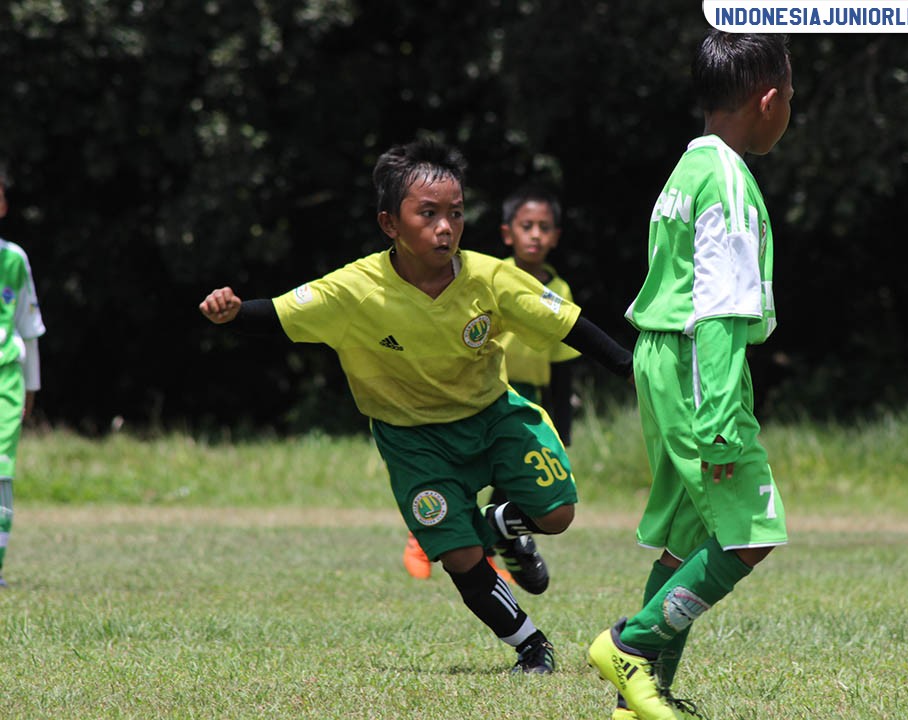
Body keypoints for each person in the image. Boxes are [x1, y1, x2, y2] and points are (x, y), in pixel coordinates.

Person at [199, 138, 632, 674]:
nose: (445, 228)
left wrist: (631, 368)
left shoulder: (490, 278)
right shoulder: (355, 290)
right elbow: (282, 313)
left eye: (454, 214)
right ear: (390, 224)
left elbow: (570, 324)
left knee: (558, 515)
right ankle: (531, 646)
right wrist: (233, 312)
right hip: (413, 440)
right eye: (427, 214)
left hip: (492, 417)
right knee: (458, 555)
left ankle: (495, 522)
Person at [586, 31, 793, 720]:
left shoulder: (689, 167)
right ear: (767, 99)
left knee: (685, 543)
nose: (790, 107)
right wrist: (722, 426)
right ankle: (629, 645)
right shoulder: (730, 181)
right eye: (790, 95)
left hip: (664, 362)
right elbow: (718, 315)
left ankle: (640, 697)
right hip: (695, 369)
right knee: (750, 533)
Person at [401, 184, 580, 586]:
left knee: (518, 485)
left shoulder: (560, 291)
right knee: (463, 473)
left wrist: (561, 433)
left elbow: (563, 366)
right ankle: (426, 532)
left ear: (555, 237)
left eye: (544, 227)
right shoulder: (485, 277)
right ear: (507, 233)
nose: (535, 234)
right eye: (526, 225)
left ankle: (500, 544)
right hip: (480, 396)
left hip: (527, 396)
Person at [0, 165, 47, 589]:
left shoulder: (13, 259)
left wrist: (31, 388)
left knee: (0, 471)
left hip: (5, 378)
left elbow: (28, 330)